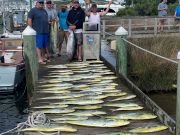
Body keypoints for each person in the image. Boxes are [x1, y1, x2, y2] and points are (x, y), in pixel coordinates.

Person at [28, 0, 49, 64]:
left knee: (44, 45)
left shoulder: (44, 10)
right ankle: (39, 59)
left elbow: (45, 20)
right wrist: (31, 30)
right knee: (39, 45)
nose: (41, 4)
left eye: (42, 3)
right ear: (36, 3)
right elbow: (29, 20)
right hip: (38, 31)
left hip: (45, 31)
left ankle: (43, 57)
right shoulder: (33, 10)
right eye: (40, 3)